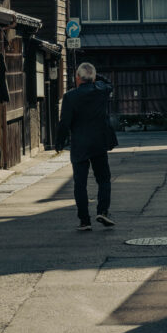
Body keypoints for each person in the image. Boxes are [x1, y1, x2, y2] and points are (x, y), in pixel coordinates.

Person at [55, 62, 115, 231]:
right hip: (99, 142)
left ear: (77, 78)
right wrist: (96, 77)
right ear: (93, 78)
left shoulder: (70, 96)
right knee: (103, 179)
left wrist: (59, 142)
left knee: (79, 183)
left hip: (80, 143)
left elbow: (64, 122)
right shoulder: (101, 90)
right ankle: (103, 210)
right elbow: (109, 83)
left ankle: (84, 221)